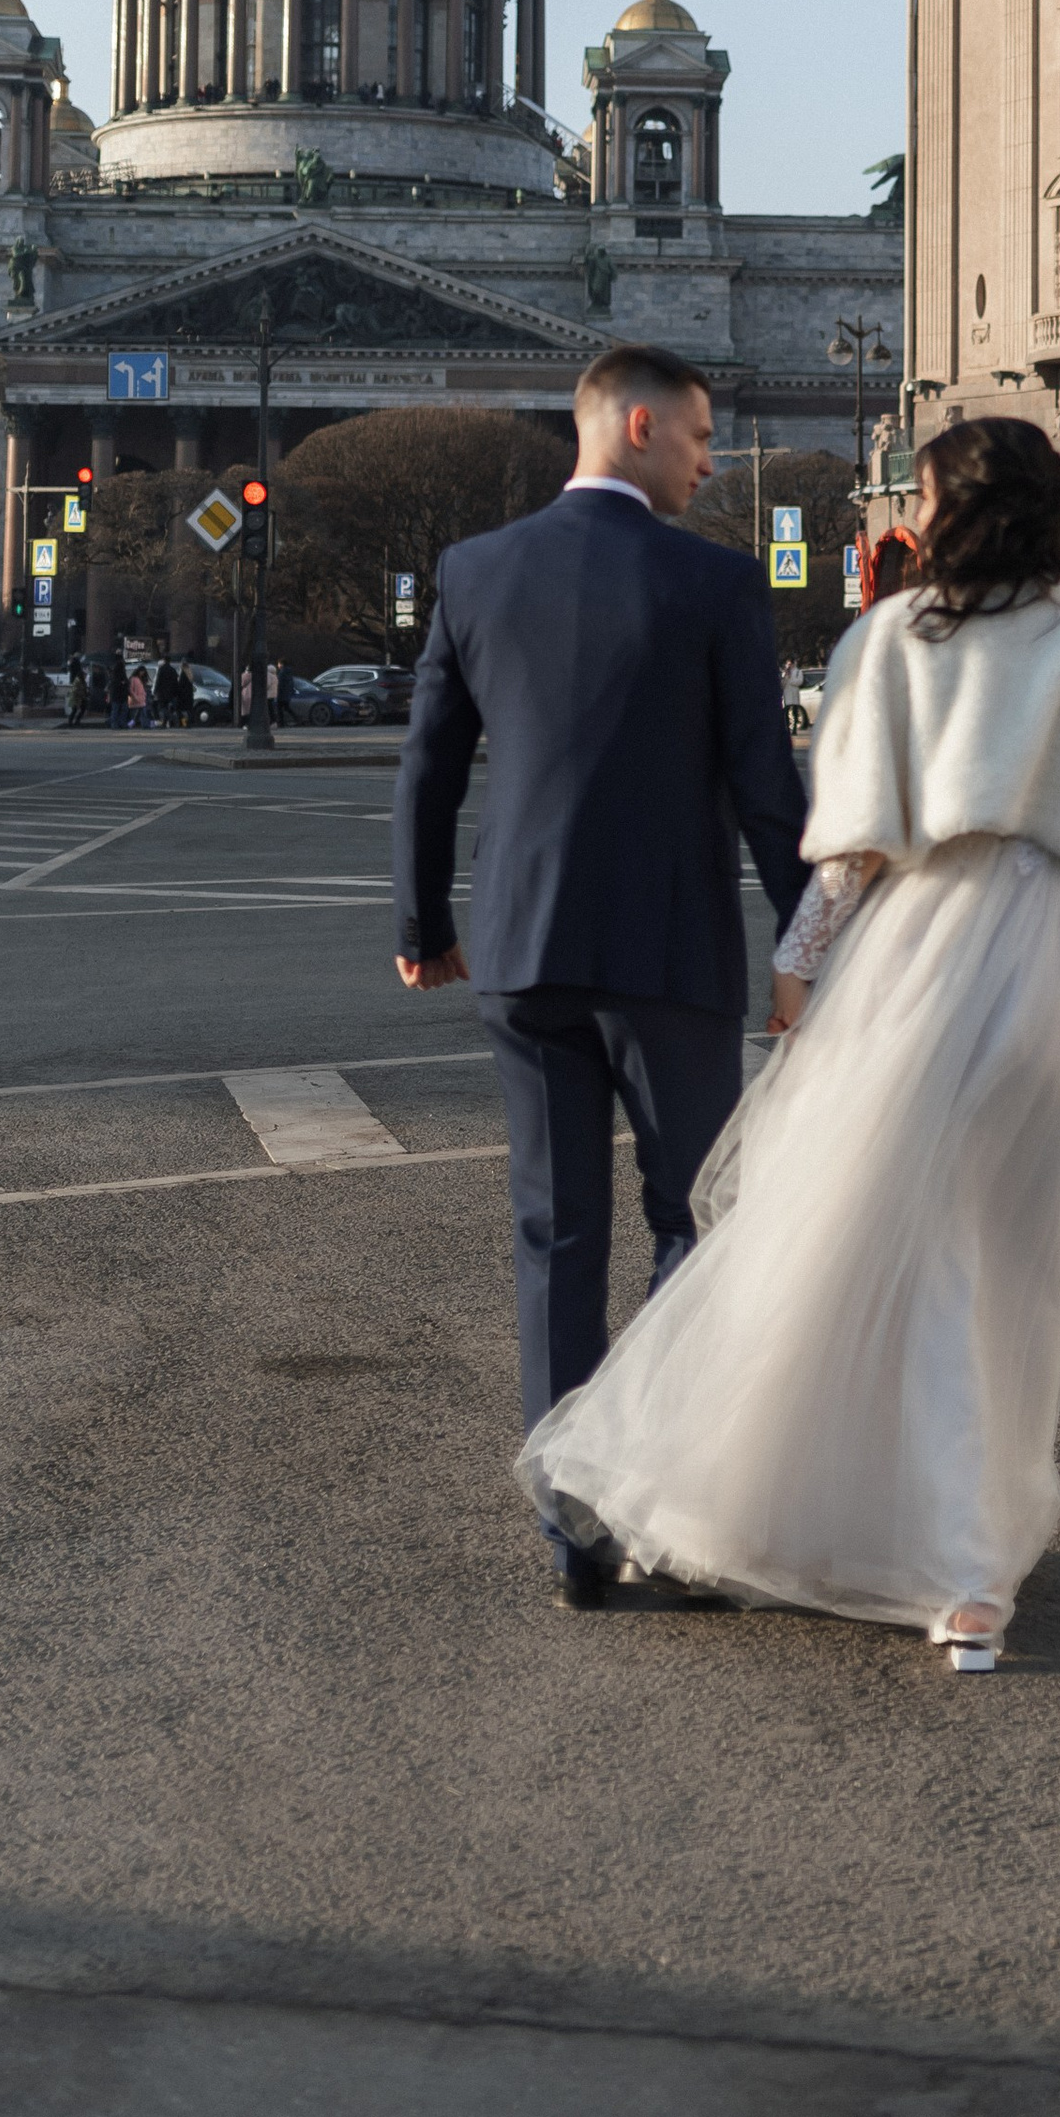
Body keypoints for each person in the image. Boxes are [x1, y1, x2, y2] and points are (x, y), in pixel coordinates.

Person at [518, 415, 1060, 1672]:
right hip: (1043, 964)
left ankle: (921, 1555)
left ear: (950, 510)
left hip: (911, 957)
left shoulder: (887, 637)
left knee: (892, 1250)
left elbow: (844, 855)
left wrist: (794, 979)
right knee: (1007, 1268)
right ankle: (964, 1561)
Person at [394, 342, 810, 1608]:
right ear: (635, 425)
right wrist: (811, 945)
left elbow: (427, 765)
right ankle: (674, 1514)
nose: (705, 462)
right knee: (694, 1223)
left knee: (554, 1234)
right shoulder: (715, 583)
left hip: (520, 951)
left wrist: (423, 922)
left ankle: (570, 1531)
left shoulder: (475, 570)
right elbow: (761, 786)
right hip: (671, 956)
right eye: (694, 439)